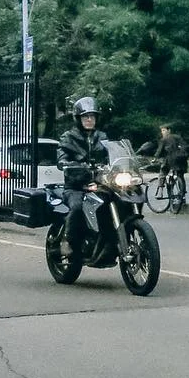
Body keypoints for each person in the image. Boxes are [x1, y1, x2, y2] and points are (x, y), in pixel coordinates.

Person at [55, 96, 111, 274]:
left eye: (92, 116)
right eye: (85, 116)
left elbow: (112, 156)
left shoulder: (102, 137)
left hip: (100, 184)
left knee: (119, 199)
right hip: (76, 186)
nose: (89, 120)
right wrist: (68, 164)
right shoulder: (68, 137)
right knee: (78, 207)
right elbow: (61, 157)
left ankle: (109, 239)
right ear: (78, 118)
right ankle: (67, 241)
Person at [150, 124, 189, 196]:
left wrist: (155, 159)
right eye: (162, 131)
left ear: (169, 130)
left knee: (162, 172)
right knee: (180, 176)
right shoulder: (178, 137)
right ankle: (182, 192)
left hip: (171, 160)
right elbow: (185, 147)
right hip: (182, 159)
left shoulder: (164, 139)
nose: (162, 132)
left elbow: (159, 151)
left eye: (164, 130)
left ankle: (160, 191)